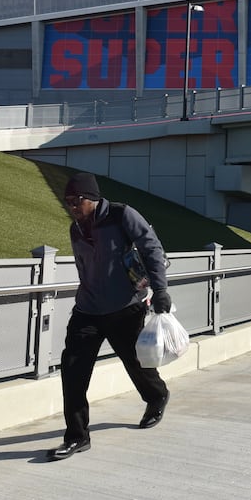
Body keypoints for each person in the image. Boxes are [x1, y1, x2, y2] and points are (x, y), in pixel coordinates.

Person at [49, 171, 173, 461]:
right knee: (73, 372)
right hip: (87, 311)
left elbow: (151, 247)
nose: (71, 206)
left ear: (92, 198)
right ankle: (77, 436)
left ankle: (156, 396)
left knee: (136, 363)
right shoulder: (76, 229)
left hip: (125, 308)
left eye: (76, 200)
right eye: (67, 202)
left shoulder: (122, 215)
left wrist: (160, 289)